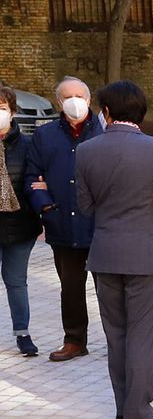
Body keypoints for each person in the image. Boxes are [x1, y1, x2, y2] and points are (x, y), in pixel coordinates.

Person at [75, 80, 153, 419]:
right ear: (141, 111)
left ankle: (125, 409)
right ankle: (139, 414)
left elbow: (85, 206)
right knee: (143, 336)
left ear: (105, 112)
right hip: (146, 256)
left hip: (105, 253)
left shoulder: (87, 150)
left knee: (117, 335)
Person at [24, 76, 104, 362]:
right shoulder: (45, 136)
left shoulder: (104, 132)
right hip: (62, 224)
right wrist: (46, 207)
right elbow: (32, 178)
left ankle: (118, 340)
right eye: (67, 96)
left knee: (108, 289)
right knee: (70, 288)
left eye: (79, 96)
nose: (74, 101)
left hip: (100, 226)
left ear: (89, 98)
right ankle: (74, 340)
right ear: (59, 102)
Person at [0, 86, 41, 357]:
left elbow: (35, 183)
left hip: (19, 225)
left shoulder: (28, 145)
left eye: (3, 109)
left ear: (13, 113)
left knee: (16, 281)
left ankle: (22, 333)